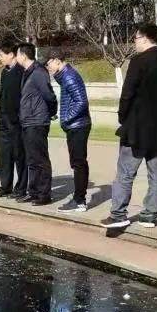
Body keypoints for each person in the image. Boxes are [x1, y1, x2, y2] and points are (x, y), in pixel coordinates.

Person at [100, 24, 157, 229]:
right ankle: (150, 214)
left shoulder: (138, 61)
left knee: (125, 172)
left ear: (145, 38)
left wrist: (123, 117)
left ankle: (118, 214)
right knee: (156, 171)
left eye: (136, 38)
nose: (134, 42)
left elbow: (127, 93)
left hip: (136, 126)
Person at [45, 48, 92, 213]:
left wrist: (66, 118)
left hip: (78, 125)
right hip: (76, 125)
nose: (48, 68)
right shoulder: (65, 75)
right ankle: (79, 199)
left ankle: (79, 201)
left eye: (49, 64)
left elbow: (82, 102)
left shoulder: (70, 76)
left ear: (57, 61)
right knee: (77, 162)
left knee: (79, 163)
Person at [16, 43, 58, 206]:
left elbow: (49, 95)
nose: (16, 57)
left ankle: (44, 194)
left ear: (23, 56)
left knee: (40, 159)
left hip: (37, 121)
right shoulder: (27, 72)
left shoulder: (39, 72)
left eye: (17, 54)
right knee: (31, 159)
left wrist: (51, 112)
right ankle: (33, 192)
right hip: (27, 121)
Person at [0, 44, 27, 199]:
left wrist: (19, 116)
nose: (0, 58)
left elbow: (23, 96)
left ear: (11, 54)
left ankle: (21, 188)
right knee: (4, 155)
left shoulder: (21, 71)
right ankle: (5, 186)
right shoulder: (5, 72)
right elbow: (3, 93)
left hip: (16, 120)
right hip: (3, 118)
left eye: (1, 55)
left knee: (19, 154)